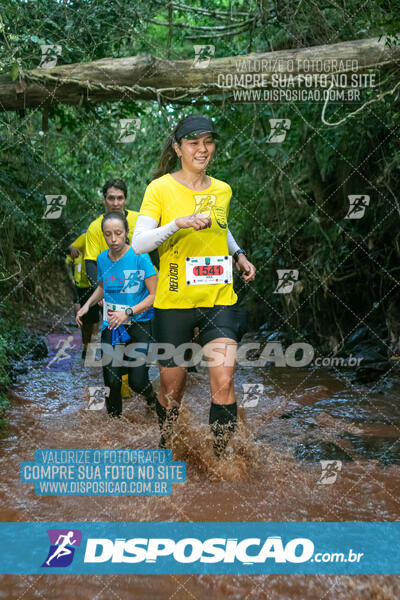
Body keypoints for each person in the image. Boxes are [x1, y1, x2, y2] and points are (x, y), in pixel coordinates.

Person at [132, 114, 256, 457]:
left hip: (219, 298)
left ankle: (217, 457)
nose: (203, 150)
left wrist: (239, 254)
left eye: (208, 142)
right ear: (178, 148)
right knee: (172, 391)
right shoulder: (160, 189)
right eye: (193, 143)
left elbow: (221, 227)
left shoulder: (223, 190)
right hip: (174, 304)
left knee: (224, 380)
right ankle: (167, 442)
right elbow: (140, 243)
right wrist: (177, 223)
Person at [76, 212, 158, 417]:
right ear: (103, 235)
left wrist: (128, 312)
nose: (113, 239)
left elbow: (155, 296)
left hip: (140, 323)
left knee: (137, 381)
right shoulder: (102, 258)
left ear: (126, 233)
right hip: (111, 325)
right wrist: (87, 305)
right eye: (108, 234)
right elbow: (103, 287)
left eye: (118, 233)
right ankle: (114, 431)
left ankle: (152, 399)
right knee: (111, 382)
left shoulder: (140, 257)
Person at [66, 229, 100, 359]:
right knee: (87, 321)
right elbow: (70, 248)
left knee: (106, 319)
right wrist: (71, 278)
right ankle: (87, 349)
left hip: (105, 283)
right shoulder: (84, 239)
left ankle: (101, 348)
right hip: (85, 286)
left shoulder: (108, 237)